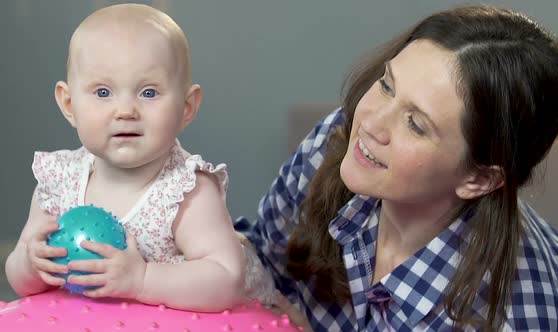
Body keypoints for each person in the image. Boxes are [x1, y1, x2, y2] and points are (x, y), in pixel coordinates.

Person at [236, 4, 558, 331]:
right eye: (387, 86)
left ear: (479, 178)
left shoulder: (515, 319)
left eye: (416, 124)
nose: (371, 123)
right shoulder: (336, 143)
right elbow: (262, 259)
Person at [4, 3, 275, 312]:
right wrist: (30, 263)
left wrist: (142, 279)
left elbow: (226, 279)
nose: (125, 111)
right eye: (103, 92)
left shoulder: (186, 189)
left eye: (148, 93)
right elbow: (19, 274)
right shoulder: (58, 181)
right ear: (68, 104)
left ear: (187, 107)